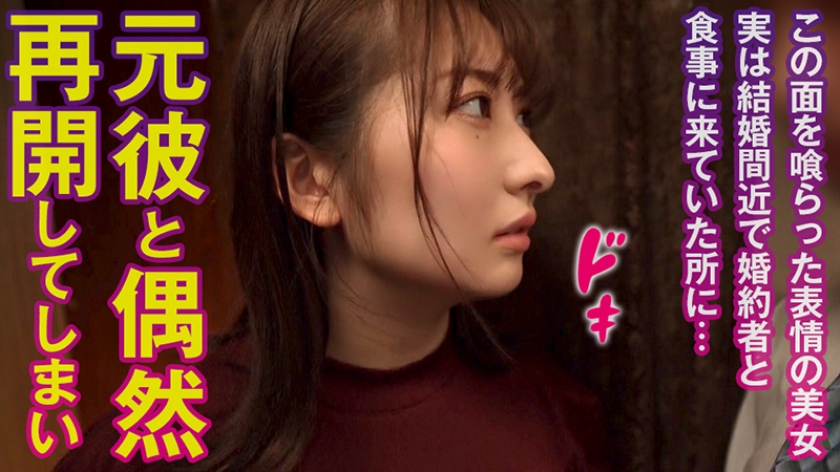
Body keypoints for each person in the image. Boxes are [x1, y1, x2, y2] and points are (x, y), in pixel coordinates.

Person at [53, 0, 609, 470]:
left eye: (523, 115)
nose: (538, 167)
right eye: (474, 105)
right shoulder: (161, 442)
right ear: (312, 180)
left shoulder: (557, 423)